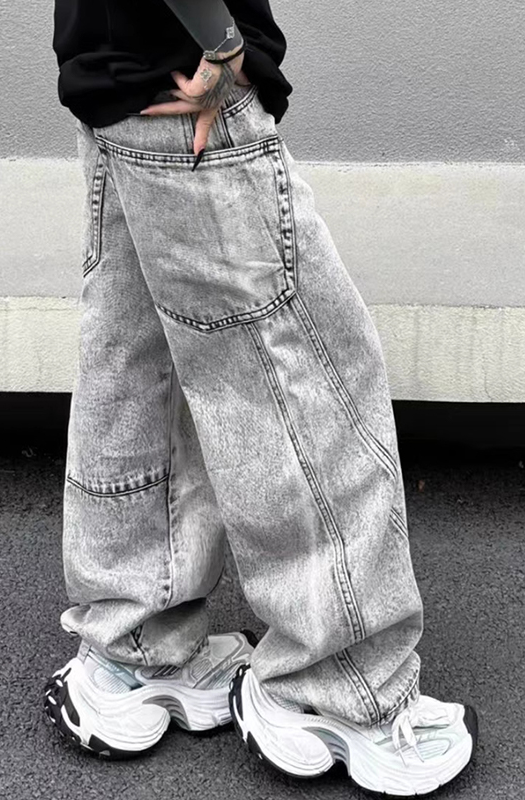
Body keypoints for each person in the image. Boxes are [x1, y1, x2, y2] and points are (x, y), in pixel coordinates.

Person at [44, 0, 478, 794]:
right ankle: (339, 690)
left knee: (141, 367)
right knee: (306, 383)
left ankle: (132, 649)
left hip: (120, 82)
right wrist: (222, 44)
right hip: (184, 89)